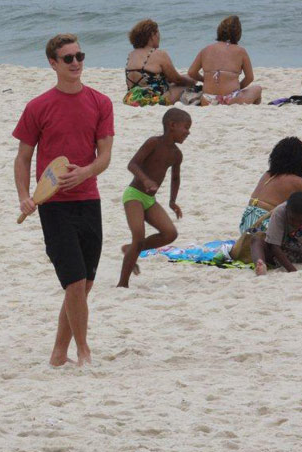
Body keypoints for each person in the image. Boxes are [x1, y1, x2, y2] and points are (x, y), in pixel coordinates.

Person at [13, 33, 114, 367]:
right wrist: (25, 196)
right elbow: (23, 158)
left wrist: (85, 173)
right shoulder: (38, 106)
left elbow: (105, 156)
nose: (76, 63)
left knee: (84, 284)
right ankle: (84, 352)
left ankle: (58, 354)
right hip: (54, 205)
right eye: (68, 58)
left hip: (89, 201)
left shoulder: (101, 102)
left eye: (79, 56)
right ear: (53, 63)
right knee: (74, 281)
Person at [117, 108, 191, 288]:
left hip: (150, 200)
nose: (188, 132)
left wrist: (172, 201)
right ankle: (122, 284)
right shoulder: (153, 143)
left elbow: (175, 178)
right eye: (186, 127)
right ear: (172, 125)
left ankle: (130, 249)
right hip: (134, 195)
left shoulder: (177, 154)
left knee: (170, 233)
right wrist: (145, 179)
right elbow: (132, 164)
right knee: (139, 235)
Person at [188, 15, 262, 106]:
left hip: (207, 99)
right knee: (258, 89)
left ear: (219, 31)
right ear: (238, 34)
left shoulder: (206, 49)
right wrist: (238, 88)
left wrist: (205, 80)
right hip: (231, 99)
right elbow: (249, 78)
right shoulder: (241, 51)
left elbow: (191, 72)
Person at [123, 19, 195, 107]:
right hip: (153, 100)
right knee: (188, 83)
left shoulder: (131, 54)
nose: (159, 37)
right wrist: (191, 81)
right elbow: (176, 79)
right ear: (152, 35)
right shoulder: (159, 54)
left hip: (131, 99)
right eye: (158, 33)